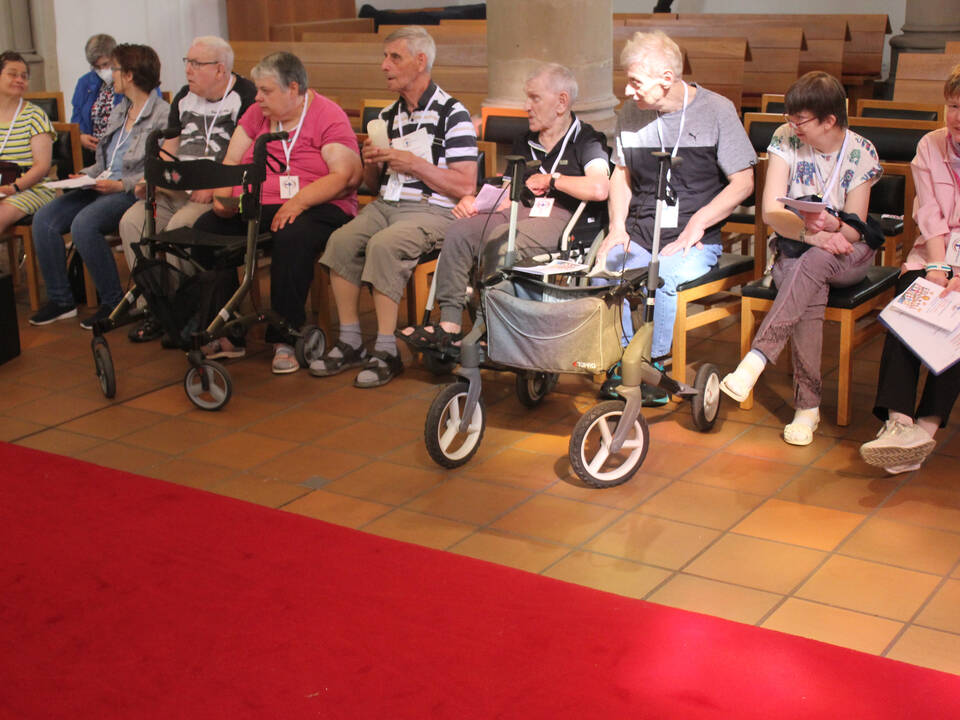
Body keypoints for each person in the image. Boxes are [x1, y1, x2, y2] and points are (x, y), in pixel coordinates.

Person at [397, 62, 610, 350]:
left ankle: (489, 327)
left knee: (500, 240)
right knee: (461, 230)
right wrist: (477, 202)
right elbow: (510, 187)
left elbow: (599, 188)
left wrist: (553, 180)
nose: (526, 106)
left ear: (561, 102)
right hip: (518, 211)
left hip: (564, 219)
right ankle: (449, 323)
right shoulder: (525, 140)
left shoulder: (587, 140)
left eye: (534, 98)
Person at [720, 71, 883, 446]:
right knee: (809, 279)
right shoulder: (785, 139)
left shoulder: (861, 151)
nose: (793, 127)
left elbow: (856, 230)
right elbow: (771, 213)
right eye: (789, 118)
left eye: (801, 120)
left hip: (849, 253)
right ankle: (806, 407)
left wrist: (832, 230)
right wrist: (814, 235)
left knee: (812, 266)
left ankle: (758, 361)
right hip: (800, 246)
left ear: (830, 120)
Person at [594, 31, 756, 404]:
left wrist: (699, 222)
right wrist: (617, 227)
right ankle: (622, 363)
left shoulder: (717, 110)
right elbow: (621, 173)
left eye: (635, 81)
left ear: (667, 79)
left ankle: (656, 366)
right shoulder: (631, 113)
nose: (627, 90)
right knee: (606, 272)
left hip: (695, 237)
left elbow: (743, 182)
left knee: (662, 278)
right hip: (639, 231)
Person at [313, 25, 478, 388]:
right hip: (387, 204)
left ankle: (387, 350)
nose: (384, 65)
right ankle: (352, 339)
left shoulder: (453, 114)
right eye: (384, 57)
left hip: (432, 209)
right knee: (341, 241)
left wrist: (414, 163)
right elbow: (373, 185)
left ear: (421, 62)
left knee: (384, 245)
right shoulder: (386, 116)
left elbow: (466, 184)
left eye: (394, 57)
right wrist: (371, 161)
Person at [194, 51, 361, 373]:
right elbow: (231, 162)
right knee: (206, 230)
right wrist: (222, 199)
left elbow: (344, 176)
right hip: (259, 202)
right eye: (257, 90)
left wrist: (297, 202)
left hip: (319, 205)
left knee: (292, 235)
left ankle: (286, 334)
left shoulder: (327, 115)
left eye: (266, 91)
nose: (257, 97)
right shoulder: (257, 114)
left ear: (294, 89)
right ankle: (229, 333)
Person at [117, 35, 256, 343]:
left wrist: (215, 185)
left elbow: (244, 156)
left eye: (196, 64)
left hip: (215, 189)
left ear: (220, 70)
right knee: (132, 221)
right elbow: (170, 146)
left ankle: (192, 311)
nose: (188, 70)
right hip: (178, 187)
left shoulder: (246, 96)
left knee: (180, 227)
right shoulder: (184, 96)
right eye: (187, 63)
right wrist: (153, 179)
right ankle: (157, 308)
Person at [859, 65, 960, 473]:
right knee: (909, 306)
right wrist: (938, 267)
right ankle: (898, 422)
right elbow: (930, 214)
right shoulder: (931, 146)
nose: (957, 116)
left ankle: (926, 427)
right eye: (953, 106)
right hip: (932, 253)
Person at [29, 43, 168, 328]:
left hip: (129, 190)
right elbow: (105, 158)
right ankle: (61, 300)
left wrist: (119, 185)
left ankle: (113, 301)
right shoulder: (120, 109)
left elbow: (155, 169)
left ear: (129, 75)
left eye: (114, 69)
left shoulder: (162, 114)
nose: (109, 75)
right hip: (101, 183)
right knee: (44, 219)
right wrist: (83, 175)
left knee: (83, 224)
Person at [0, 51, 55, 243]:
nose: (19, 80)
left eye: (24, 76)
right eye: (13, 74)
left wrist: (14, 187)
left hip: (30, 188)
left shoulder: (35, 116)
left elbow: (42, 167)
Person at [71, 34, 118, 164]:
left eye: (105, 64)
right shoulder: (85, 82)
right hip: (92, 151)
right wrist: (80, 136)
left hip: (121, 149)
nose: (102, 70)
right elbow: (77, 116)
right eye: (96, 67)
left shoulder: (127, 79)